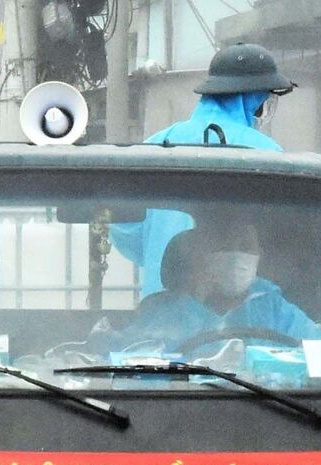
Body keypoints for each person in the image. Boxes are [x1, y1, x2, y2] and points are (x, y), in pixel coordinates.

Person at [116, 43, 296, 296]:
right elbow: (282, 237)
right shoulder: (267, 155)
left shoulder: (155, 145)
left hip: (164, 312)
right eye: (265, 98)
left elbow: (124, 229)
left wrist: (162, 253)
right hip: (246, 314)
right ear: (254, 100)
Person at [110, 221, 321, 355]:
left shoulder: (274, 308)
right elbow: (127, 359)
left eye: (245, 247)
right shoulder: (161, 309)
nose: (236, 255)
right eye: (225, 247)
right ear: (205, 255)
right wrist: (196, 298)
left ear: (260, 255)